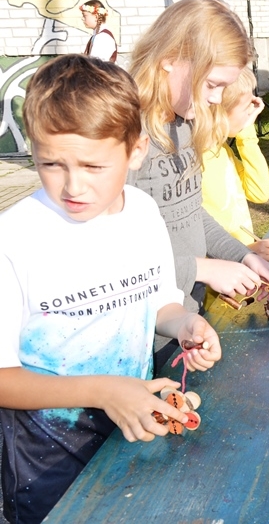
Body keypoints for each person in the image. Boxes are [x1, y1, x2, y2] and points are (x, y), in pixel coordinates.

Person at [0, 55, 221, 524]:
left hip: (132, 434)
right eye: (50, 164)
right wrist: (105, 391)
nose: (72, 185)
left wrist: (184, 322)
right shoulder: (13, 241)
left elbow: (159, 301)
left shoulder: (141, 212)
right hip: (50, 465)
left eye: (93, 166)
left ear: (136, 151)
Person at [127, 0, 269, 335]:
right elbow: (114, 253)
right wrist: (202, 268)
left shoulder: (184, 125)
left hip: (187, 316)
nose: (215, 99)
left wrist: (242, 255)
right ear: (170, 59)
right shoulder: (124, 137)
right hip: (144, 327)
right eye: (212, 85)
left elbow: (191, 212)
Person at [200, 67, 269, 262]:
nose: (251, 113)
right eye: (246, 108)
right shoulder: (201, 159)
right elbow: (202, 238)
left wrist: (246, 135)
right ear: (220, 111)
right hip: (223, 273)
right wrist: (244, 251)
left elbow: (259, 192)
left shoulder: (222, 150)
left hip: (243, 262)